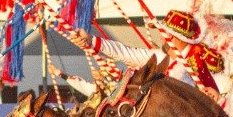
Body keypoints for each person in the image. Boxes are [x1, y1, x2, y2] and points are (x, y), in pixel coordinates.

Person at [66, 8, 223, 92]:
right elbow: (125, 52)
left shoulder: (198, 63)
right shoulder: (162, 57)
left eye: (165, 34)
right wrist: (91, 40)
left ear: (174, 38)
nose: (162, 37)